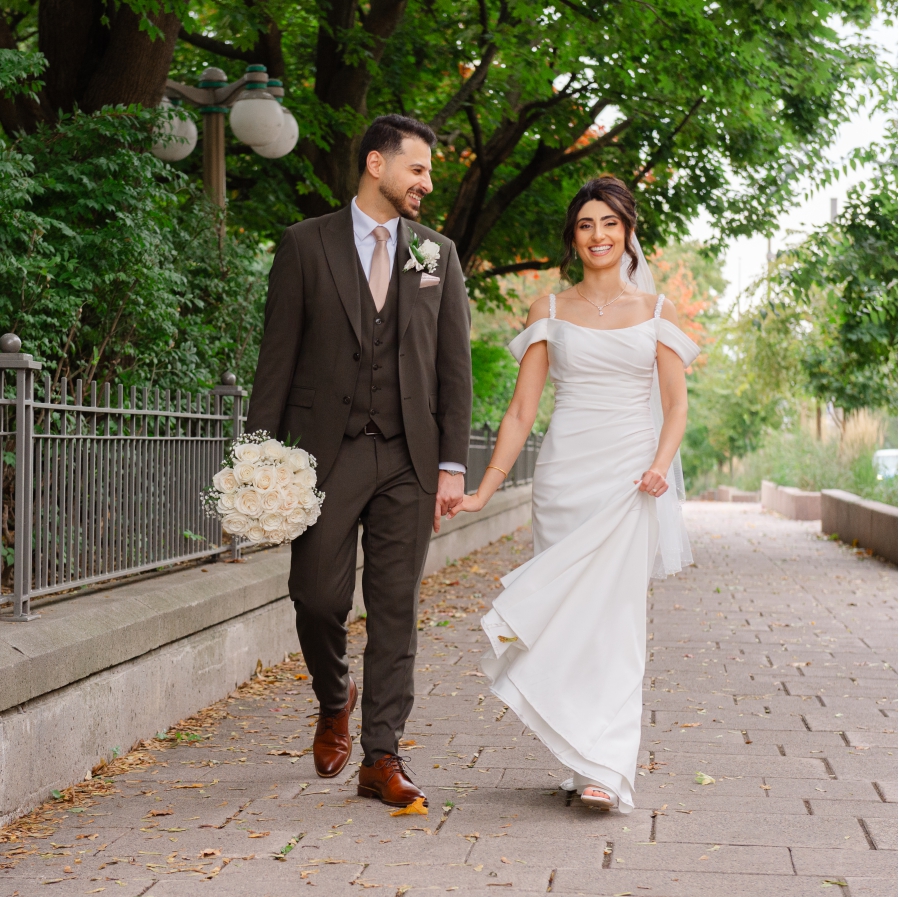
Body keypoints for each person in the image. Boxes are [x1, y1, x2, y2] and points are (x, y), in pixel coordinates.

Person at [246, 114, 472, 808]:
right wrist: (259, 461)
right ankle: (333, 692)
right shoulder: (305, 245)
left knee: (396, 607)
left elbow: (454, 368)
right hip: (328, 452)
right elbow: (276, 360)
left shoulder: (437, 254)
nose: (427, 184)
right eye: (418, 169)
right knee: (316, 596)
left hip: (409, 452)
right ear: (377, 164)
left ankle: (382, 755)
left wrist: (453, 464)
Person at [453, 176, 696, 814]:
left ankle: (608, 770)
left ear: (628, 232)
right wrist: (483, 491)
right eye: (586, 225)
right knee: (565, 625)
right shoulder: (548, 311)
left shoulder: (657, 313)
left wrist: (660, 465)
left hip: (628, 478)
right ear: (573, 237)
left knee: (615, 624)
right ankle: (577, 755)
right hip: (565, 478)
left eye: (609, 224)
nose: (598, 235)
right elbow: (520, 412)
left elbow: (675, 408)